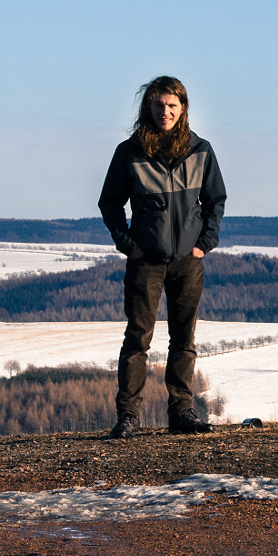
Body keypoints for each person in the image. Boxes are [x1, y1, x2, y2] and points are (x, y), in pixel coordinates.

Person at [97, 75, 228, 437]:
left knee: (184, 339)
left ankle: (181, 413)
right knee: (138, 338)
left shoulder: (201, 150)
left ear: (183, 109)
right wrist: (128, 244)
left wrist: (205, 243)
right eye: (158, 105)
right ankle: (128, 417)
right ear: (148, 108)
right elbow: (110, 203)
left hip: (188, 260)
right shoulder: (130, 152)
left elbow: (215, 200)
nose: (165, 112)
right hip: (146, 261)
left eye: (172, 106)